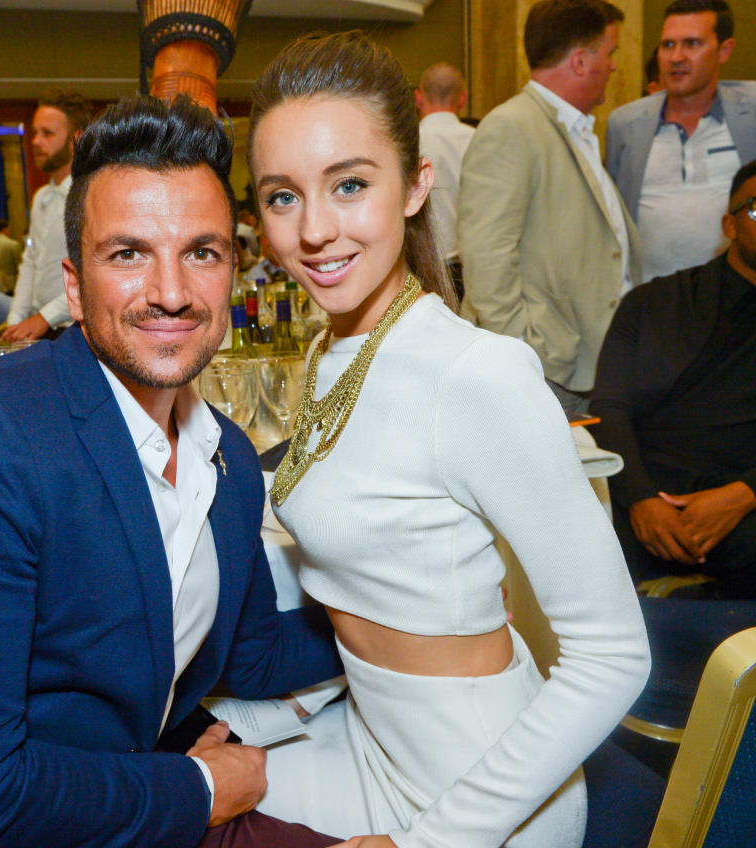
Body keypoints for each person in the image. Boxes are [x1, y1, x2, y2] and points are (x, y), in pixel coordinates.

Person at [0, 94, 343, 848]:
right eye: (128, 254)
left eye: (200, 251)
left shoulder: (228, 460)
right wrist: (198, 789)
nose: (170, 291)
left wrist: (409, 607)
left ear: (232, 271)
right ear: (73, 285)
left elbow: (253, 650)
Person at [247, 30, 650, 848]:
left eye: (350, 184)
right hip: (365, 734)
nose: (314, 231)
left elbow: (614, 657)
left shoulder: (477, 374)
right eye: (282, 196)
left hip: (480, 792)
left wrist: (427, 844)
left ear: (414, 186)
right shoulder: (332, 350)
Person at [458, 0, 640, 414]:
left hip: (586, 366)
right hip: (546, 373)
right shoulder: (512, 126)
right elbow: (487, 262)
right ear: (580, 61)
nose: (613, 66)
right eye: (609, 53)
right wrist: (526, 357)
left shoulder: (572, 128)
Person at [590, 160, 756, 599]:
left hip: (745, 501)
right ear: (730, 225)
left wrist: (744, 494)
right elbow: (610, 406)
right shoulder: (655, 302)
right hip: (646, 494)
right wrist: (641, 499)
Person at [606, 0, 756, 283]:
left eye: (692, 44)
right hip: (650, 301)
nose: (676, 57)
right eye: (668, 45)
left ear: (724, 50)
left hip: (737, 303)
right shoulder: (625, 125)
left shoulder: (751, 113)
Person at [2, 88, 93, 342]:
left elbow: (95, 273)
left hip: (78, 329)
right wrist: (16, 322)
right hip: (42, 330)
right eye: (35, 133)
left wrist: (44, 317)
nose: (35, 141)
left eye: (47, 133)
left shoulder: (92, 195)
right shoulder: (42, 196)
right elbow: (31, 261)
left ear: (76, 139)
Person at [415, 62, 474, 298]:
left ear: (418, 98)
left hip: (423, 264)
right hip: (470, 268)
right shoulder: (479, 139)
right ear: (463, 99)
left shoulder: (409, 141)